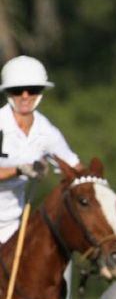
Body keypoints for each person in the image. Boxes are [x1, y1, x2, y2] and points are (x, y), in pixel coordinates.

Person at [0, 55, 81, 243]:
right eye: (17, 90)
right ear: (8, 92)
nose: (25, 96)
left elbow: (75, 168)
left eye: (32, 90)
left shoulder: (46, 131)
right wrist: (20, 170)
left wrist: (99, 189)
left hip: (11, 226)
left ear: (41, 92)